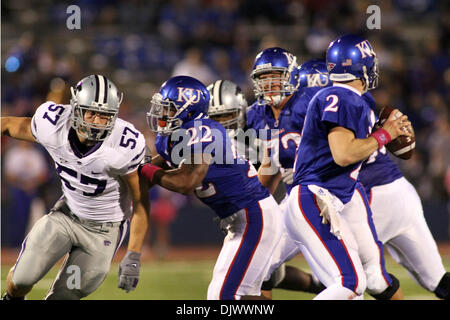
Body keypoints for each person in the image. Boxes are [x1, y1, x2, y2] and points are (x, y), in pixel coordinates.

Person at [283, 34, 410, 299]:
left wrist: (385, 133)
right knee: (350, 283)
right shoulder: (342, 96)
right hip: (315, 197)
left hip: (331, 198)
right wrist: (385, 134)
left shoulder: (354, 99)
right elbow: (343, 154)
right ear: (361, 67)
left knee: (362, 280)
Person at [1, 75, 149, 300]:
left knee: (64, 296)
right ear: (76, 109)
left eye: (104, 115)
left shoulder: (125, 144)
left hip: (103, 231)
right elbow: (11, 125)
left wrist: (134, 254)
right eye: (91, 112)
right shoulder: (53, 124)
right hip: (65, 215)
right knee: (21, 280)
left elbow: (140, 201)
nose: (97, 122)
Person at [140, 75, 282, 300]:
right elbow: (145, 172)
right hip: (242, 219)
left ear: (188, 110)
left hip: (254, 216)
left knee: (224, 295)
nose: (161, 113)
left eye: (168, 108)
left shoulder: (204, 130)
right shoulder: (171, 137)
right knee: (236, 295)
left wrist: (147, 172)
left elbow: (187, 182)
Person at [208, 78, 325, 297]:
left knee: (359, 277)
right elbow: (268, 167)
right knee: (263, 270)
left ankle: (325, 284)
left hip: (309, 197)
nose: (222, 123)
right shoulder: (226, 134)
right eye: (215, 118)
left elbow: (271, 168)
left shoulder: (268, 121)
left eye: (227, 116)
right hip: (279, 200)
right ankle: (320, 284)